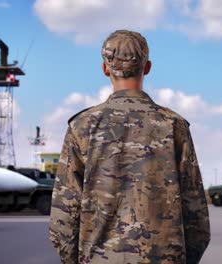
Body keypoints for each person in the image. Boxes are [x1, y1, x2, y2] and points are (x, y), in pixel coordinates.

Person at [49, 29, 210, 264]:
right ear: (147, 67)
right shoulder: (173, 125)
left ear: (105, 69)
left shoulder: (82, 126)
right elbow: (196, 215)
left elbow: (63, 217)